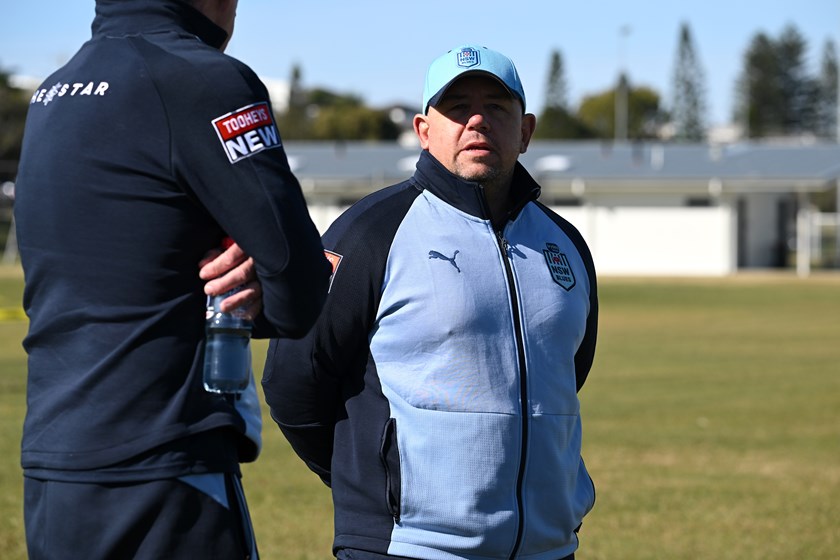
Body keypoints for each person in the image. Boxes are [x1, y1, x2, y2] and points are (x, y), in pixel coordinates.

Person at [14, 0, 331, 558]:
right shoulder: (202, 76)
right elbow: (299, 282)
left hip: (53, 464)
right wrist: (257, 280)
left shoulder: (54, 91)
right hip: (162, 460)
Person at [263, 44, 599, 560]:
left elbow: (564, 374)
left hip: (548, 548)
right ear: (424, 130)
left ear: (526, 131)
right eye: (458, 107)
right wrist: (374, 482)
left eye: (497, 107)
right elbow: (293, 380)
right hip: (409, 546)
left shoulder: (565, 244)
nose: (478, 121)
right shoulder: (372, 233)